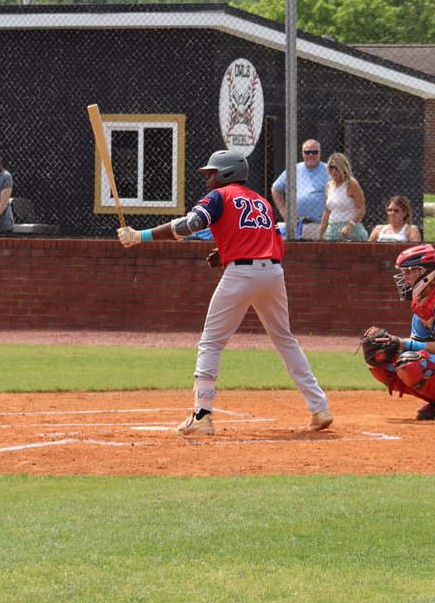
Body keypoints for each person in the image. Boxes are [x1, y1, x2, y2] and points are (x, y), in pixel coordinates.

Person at [116, 150, 333, 436]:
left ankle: (202, 415)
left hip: (241, 275)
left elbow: (189, 225)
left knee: (211, 342)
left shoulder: (219, 196)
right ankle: (319, 407)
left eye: (211, 173)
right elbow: (265, 238)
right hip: (273, 273)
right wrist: (226, 251)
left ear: (226, 173)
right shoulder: (261, 201)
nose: (208, 179)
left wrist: (139, 236)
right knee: (285, 340)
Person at [361, 245, 435, 425]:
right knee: (380, 364)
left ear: (426, 273)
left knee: (410, 363)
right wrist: (393, 344)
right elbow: (418, 342)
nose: (405, 277)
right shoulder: (420, 302)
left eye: (409, 271)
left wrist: (403, 343)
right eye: (404, 271)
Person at [271, 139, 330, 239]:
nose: (311, 155)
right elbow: (275, 188)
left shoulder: (329, 170)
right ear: (302, 154)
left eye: (314, 152)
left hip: (319, 223)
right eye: (307, 152)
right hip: (295, 223)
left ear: (319, 154)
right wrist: (283, 212)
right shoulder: (294, 169)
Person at [318, 152, 368, 241]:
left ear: (343, 168)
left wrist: (350, 225)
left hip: (351, 230)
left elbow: (361, 208)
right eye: (331, 167)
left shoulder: (351, 184)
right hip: (332, 229)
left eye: (337, 168)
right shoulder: (329, 185)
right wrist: (321, 233)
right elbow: (327, 211)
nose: (334, 171)